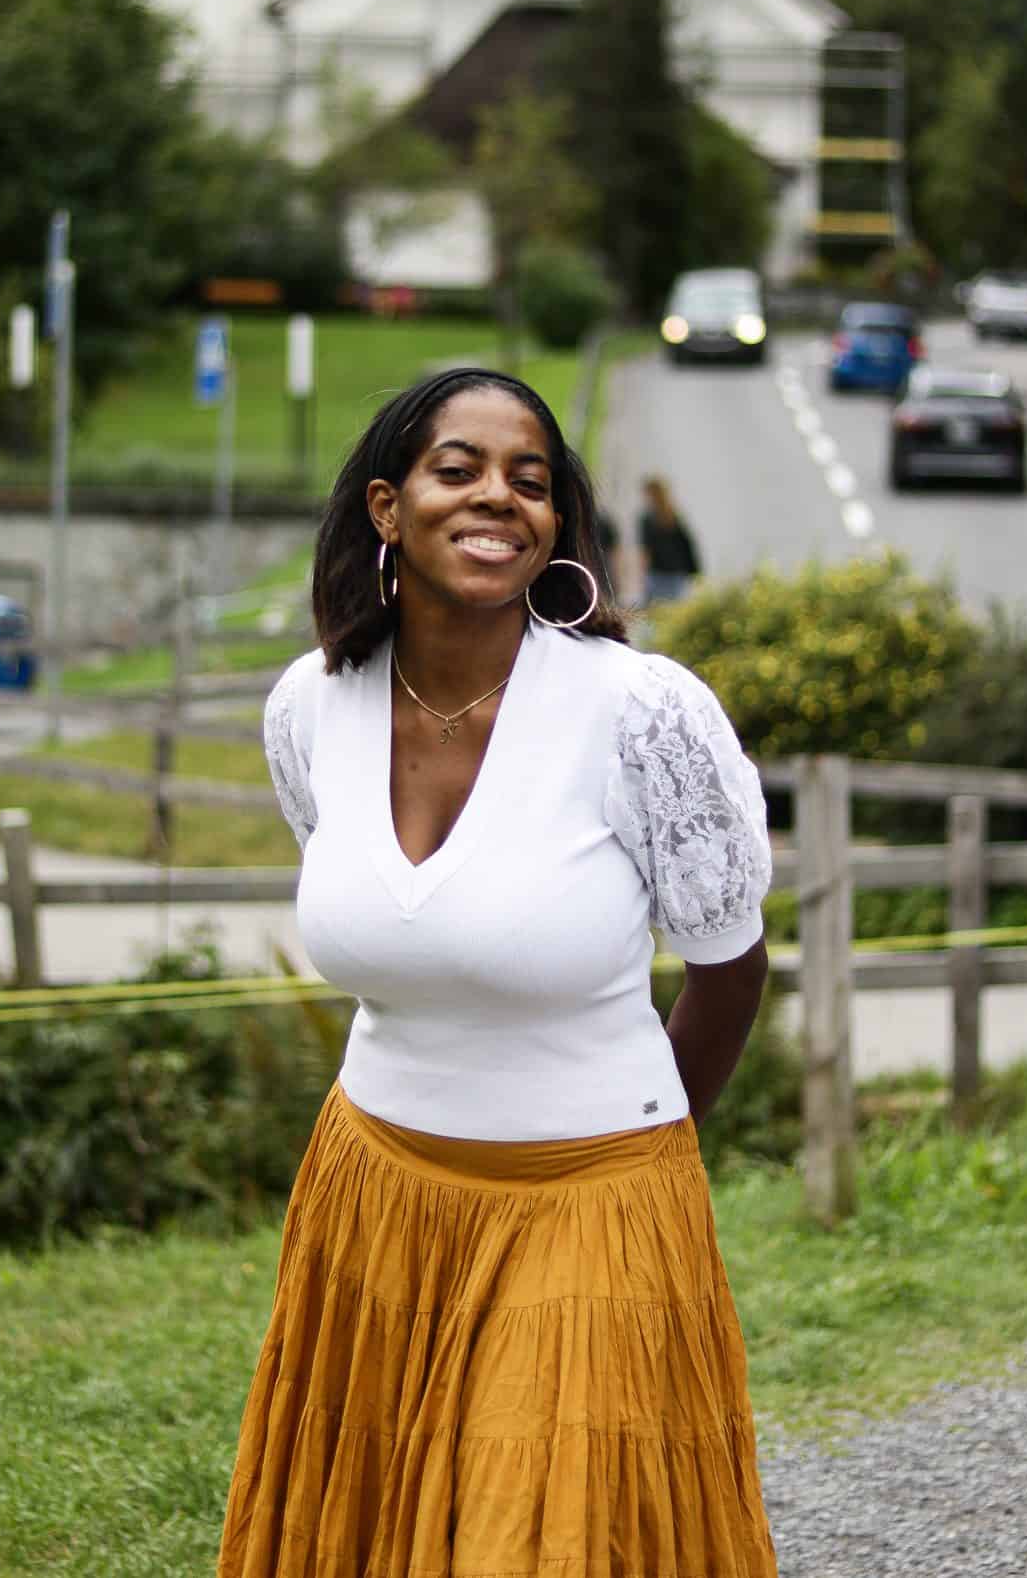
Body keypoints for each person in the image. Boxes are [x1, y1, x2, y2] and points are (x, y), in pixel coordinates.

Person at [217, 367, 776, 1578]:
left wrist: (640, 1164)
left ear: (557, 524)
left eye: (530, 480)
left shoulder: (641, 713)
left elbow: (730, 971)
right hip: (373, 1200)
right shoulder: (309, 707)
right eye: (457, 468)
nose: (496, 498)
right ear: (387, 505)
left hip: (587, 1203)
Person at [638, 474, 702, 604]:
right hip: (676, 573)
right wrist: (695, 571)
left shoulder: (647, 519)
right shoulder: (674, 515)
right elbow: (687, 545)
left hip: (657, 573)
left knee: (655, 611)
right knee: (674, 610)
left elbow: (646, 551)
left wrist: (643, 574)